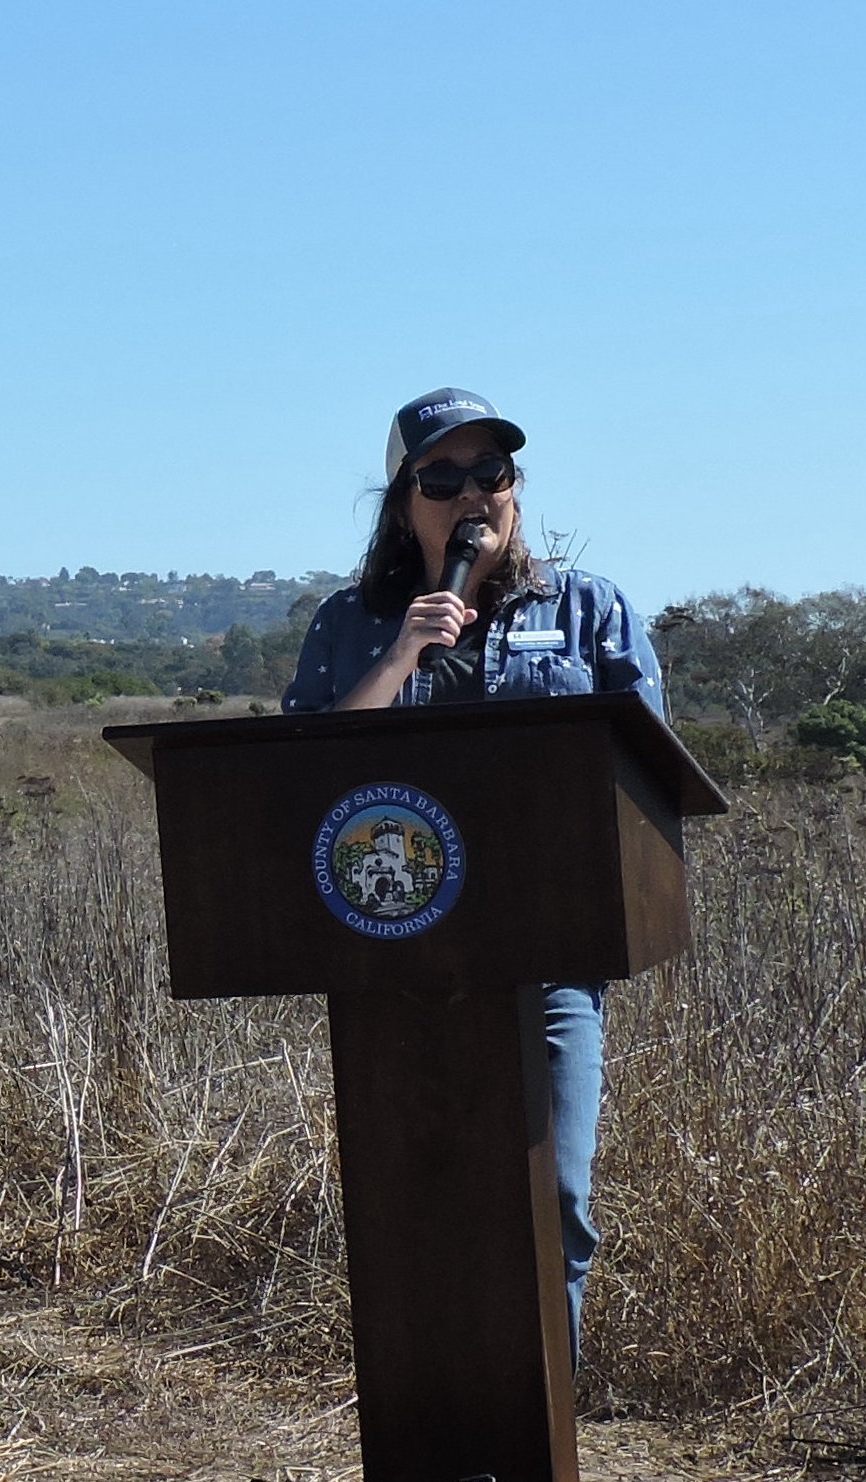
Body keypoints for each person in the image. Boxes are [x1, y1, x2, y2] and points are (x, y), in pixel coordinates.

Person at [282, 387, 664, 1369]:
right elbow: (296, 782)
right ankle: (439, 1434)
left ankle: (543, 1433)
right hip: (393, 960)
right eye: (441, 478)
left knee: (555, 1200)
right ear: (400, 503)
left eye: (490, 472)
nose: (470, 495)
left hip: (549, 956)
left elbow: (649, 782)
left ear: (516, 490)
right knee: (419, 1210)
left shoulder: (589, 612)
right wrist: (399, 657)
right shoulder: (350, 625)